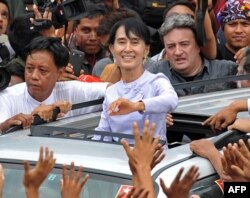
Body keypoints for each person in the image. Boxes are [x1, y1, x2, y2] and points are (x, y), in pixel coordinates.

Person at [0, 36, 108, 133]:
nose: (34, 76)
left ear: (60, 73)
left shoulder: (71, 90)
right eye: (29, 68)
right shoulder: (6, 97)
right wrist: (7, 125)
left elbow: (114, 89)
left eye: (42, 70)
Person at [95, 18, 178, 143]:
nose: (128, 49)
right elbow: (103, 133)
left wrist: (135, 106)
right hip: (117, 158)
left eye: (135, 42)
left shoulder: (156, 81)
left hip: (154, 159)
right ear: (112, 48)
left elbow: (171, 101)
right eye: (122, 42)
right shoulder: (111, 91)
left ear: (146, 49)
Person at [148, 14, 237, 96]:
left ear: (198, 46)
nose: (178, 52)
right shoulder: (153, 73)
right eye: (171, 46)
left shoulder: (227, 70)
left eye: (184, 44)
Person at [152, 0, 217, 61]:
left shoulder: (203, 59)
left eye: (187, 17)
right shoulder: (148, 66)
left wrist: (201, 5)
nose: (180, 22)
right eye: (174, 16)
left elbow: (208, 38)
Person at [68, 4, 108, 75]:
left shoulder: (115, 57)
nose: (93, 38)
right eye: (86, 31)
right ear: (75, 30)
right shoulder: (63, 56)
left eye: (99, 31)